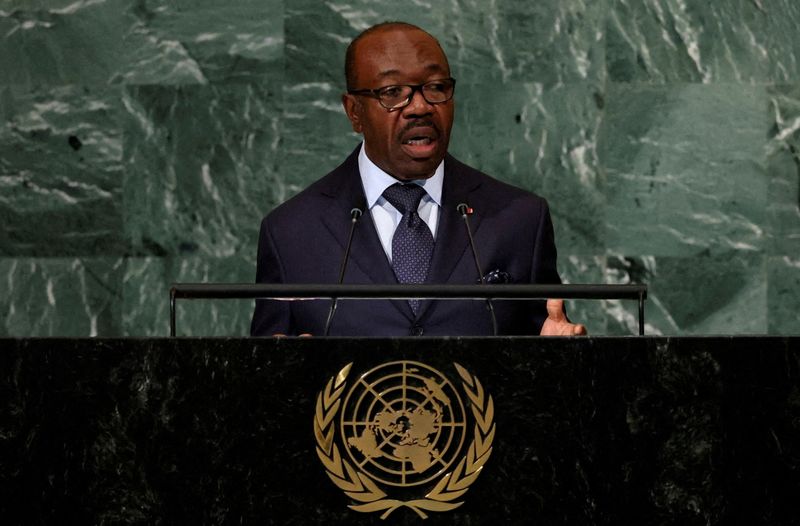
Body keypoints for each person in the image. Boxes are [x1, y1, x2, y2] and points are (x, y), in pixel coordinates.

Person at [250, 21, 586, 337]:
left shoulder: (519, 219)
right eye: (393, 92)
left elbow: (547, 340)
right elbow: (263, 363)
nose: (420, 107)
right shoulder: (291, 232)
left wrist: (563, 358)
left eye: (436, 88)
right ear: (354, 112)